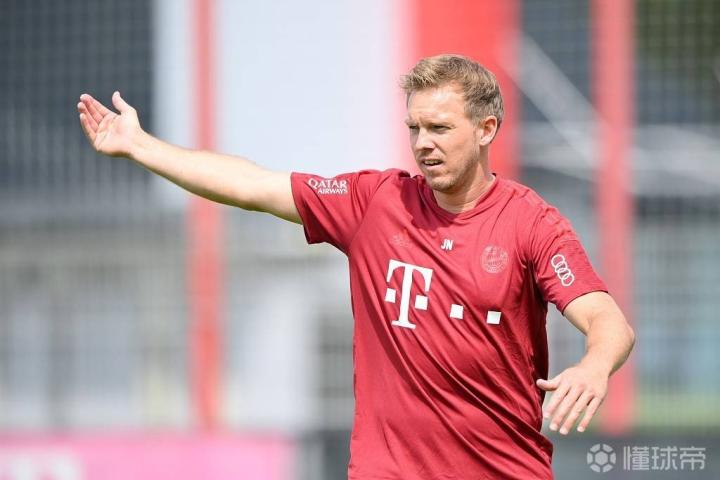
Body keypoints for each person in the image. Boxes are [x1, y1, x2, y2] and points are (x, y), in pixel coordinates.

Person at [77, 54, 635, 479]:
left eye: (440, 128)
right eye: (415, 128)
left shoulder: (532, 223)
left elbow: (607, 320)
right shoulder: (375, 203)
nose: (423, 144)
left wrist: (593, 366)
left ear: (486, 129)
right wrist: (142, 147)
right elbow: (253, 185)